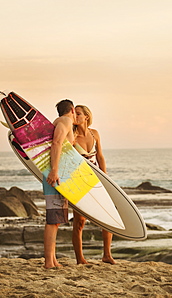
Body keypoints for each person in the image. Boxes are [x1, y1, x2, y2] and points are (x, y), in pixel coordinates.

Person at [72, 105, 116, 265]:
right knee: (79, 221)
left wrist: (106, 179)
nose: (75, 116)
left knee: (107, 216)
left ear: (86, 117)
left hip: (96, 180)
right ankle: (80, 258)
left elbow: (100, 157)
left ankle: (107, 255)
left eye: (78, 114)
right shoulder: (72, 137)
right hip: (78, 182)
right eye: (73, 114)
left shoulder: (94, 134)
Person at [43, 99, 76, 269]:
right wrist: (54, 171)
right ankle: (49, 262)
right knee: (52, 219)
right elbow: (56, 143)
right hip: (55, 177)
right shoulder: (66, 121)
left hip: (58, 176)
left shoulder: (61, 121)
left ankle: (53, 259)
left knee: (55, 219)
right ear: (71, 109)